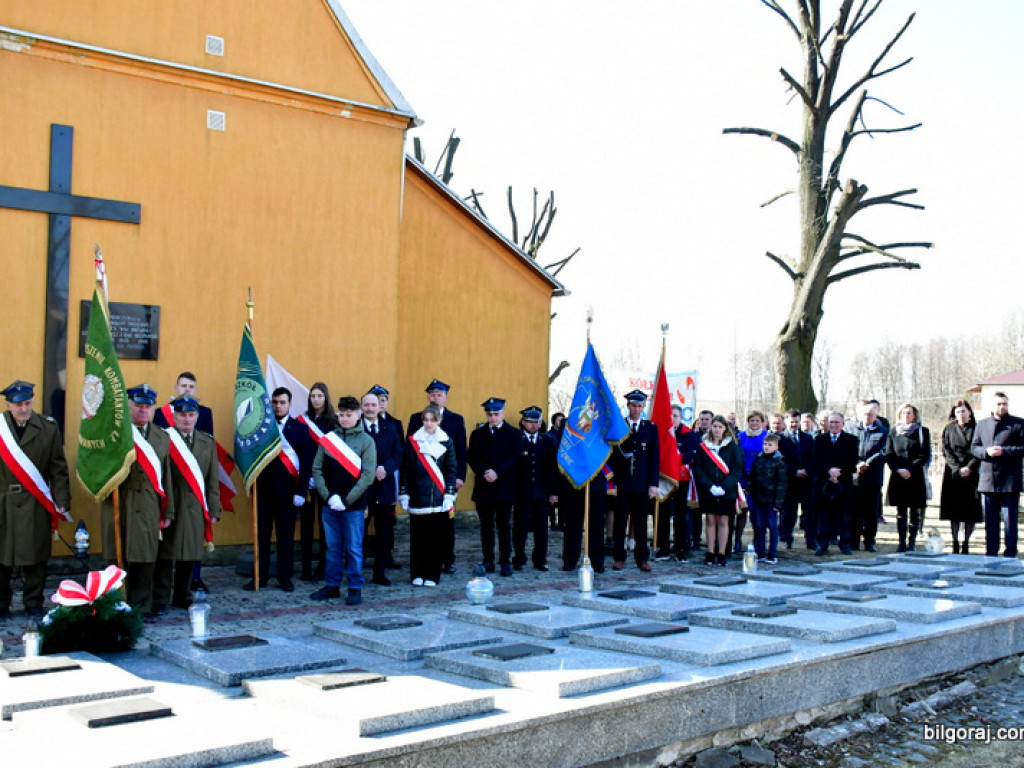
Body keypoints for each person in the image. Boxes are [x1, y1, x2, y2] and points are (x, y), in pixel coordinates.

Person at [102, 384, 174, 619]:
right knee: (117, 558)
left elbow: (166, 477)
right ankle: (115, 603)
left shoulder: (162, 437)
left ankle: (141, 605)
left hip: (149, 506)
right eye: (138, 406)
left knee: (144, 558)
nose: (143, 411)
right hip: (121, 501)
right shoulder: (115, 433)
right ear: (129, 406)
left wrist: (168, 512)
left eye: (147, 406)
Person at [0, 380, 70, 619]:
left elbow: (58, 468)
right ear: (8, 405)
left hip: (35, 501)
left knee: (36, 556)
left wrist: (61, 500)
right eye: (18, 404)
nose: (24, 409)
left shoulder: (48, 428)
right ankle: (1, 602)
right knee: (2, 556)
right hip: (3, 502)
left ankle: (33, 602)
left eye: (28, 403)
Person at [154, 394, 220, 614]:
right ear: (174, 416)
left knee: (189, 554)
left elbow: (212, 478)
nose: (186, 419)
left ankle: (182, 596)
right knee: (166, 555)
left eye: (191, 415)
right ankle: (161, 598)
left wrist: (214, 508)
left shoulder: (207, 442)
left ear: (197, 417)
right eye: (182, 415)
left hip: (195, 505)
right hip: (171, 503)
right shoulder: (164, 438)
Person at [310, 396, 377, 605]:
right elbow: (317, 469)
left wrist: (347, 500)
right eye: (342, 415)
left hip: (353, 505)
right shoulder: (329, 439)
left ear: (358, 415)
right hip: (330, 503)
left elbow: (368, 474)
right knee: (332, 547)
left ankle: (355, 586)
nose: (345, 419)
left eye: (350, 415)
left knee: (354, 547)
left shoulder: (367, 441)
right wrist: (328, 496)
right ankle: (332, 585)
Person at [245, 387, 311, 592]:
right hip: (264, 492)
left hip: (288, 494)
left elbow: (306, 462)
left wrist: (301, 491)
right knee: (262, 536)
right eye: (275, 402)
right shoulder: (262, 429)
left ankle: (285, 577)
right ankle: (261, 576)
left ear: (290, 404)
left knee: (285, 538)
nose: (278, 406)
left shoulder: (299, 429)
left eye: (282, 402)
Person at [407, 379, 466, 575]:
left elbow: (460, 449)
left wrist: (459, 477)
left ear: (446, 397)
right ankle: (423, 564)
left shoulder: (456, 419)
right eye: (432, 394)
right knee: (424, 528)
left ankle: (447, 559)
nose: (435, 397)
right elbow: (410, 451)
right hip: (422, 483)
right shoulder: (416, 418)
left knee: (446, 523)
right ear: (427, 397)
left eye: (439, 394)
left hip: (444, 482)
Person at [398, 405, 457, 586]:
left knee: (435, 540)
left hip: (438, 499)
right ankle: (417, 573)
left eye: (433, 420)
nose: (429, 423)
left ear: (439, 421)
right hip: (417, 498)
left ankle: (432, 575)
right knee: (418, 540)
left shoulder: (447, 441)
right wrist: (404, 493)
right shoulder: (413, 441)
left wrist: (449, 494)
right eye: (426, 420)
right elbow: (406, 468)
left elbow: (451, 470)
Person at [467, 397, 521, 576]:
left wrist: (497, 472)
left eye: (496, 414)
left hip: (504, 487)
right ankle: (488, 559)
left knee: (504, 526)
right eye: (490, 414)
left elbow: (515, 457)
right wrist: (484, 471)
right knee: (486, 526)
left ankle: (505, 560)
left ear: (503, 414)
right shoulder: (478, 434)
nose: (493, 417)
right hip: (484, 487)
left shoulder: (513, 434)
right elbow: (472, 457)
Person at [609, 390, 660, 572]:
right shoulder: (620, 426)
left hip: (642, 484)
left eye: (639, 406)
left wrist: (653, 483)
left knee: (640, 523)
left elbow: (654, 458)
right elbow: (612, 456)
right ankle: (619, 557)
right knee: (620, 522)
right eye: (633, 405)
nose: (636, 409)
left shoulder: (650, 428)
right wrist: (612, 481)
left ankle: (642, 558)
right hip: (622, 483)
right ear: (628, 406)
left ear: (643, 407)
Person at [970, 391, 1024, 558]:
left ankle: (1010, 553)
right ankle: (991, 552)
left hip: (1009, 480)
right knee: (991, 522)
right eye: (998, 404)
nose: (1002, 407)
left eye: (1004, 404)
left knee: (1010, 522)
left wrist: (1004, 451)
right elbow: (974, 448)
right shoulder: (982, 424)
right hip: (988, 480)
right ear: (992, 406)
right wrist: (986, 452)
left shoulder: (1018, 424)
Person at [361, 390, 402, 586]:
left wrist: (386, 467)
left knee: (383, 533)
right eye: (366, 405)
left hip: (384, 487)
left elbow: (398, 453)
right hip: (362, 489)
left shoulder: (391, 428)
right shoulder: (355, 427)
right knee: (358, 533)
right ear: (362, 407)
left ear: (379, 407)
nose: (370, 408)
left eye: (373, 405)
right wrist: (370, 469)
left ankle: (379, 572)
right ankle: (356, 573)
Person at [692, 414, 744, 566]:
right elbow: (698, 468)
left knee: (723, 520)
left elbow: (736, 470)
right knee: (710, 520)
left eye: (720, 427)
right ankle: (710, 552)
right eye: (714, 426)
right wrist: (710, 486)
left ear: (725, 429)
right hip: (709, 490)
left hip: (726, 491)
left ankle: (721, 552)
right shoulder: (703, 446)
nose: (716, 429)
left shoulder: (732, 447)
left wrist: (724, 486)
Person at [513, 406, 557, 571]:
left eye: (536, 422)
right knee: (519, 527)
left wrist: (553, 492)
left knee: (541, 529)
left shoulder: (546, 441)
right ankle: (518, 558)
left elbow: (552, 469)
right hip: (521, 491)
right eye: (529, 422)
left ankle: (540, 559)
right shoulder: (517, 440)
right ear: (523, 422)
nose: (533, 426)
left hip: (541, 492)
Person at [885, 403, 931, 552]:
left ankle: (912, 542)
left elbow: (924, 454)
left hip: (915, 476)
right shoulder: (893, 432)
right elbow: (889, 454)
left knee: (914, 511)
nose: (906, 416)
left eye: (909, 413)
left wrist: (910, 469)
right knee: (901, 511)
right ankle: (901, 541)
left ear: (915, 415)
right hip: (898, 477)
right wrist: (899, 469)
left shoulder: (922, 432)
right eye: (904, 413)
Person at [300, 382, 334, 581]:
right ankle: (305, 567)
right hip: (307, 479)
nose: (316, 399)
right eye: (313, 396)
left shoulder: (333, 421)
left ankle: (323, 566)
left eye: (320, 396)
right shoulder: (304, 421)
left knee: (324, 526)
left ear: (326, 398)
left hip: (325, 480)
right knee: (305, 525)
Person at [811, 412, 858, 556]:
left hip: (843, 482)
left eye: (837, 422)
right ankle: (822, 545)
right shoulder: (820, 439)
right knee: (823, 516)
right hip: (824, 483)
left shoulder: (851, 440)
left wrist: (839, 471)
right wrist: (829, 470)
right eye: (831, 422)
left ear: (843, 424)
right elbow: (816, 459)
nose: (833, 425)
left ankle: (845, 545)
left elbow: (853, 461)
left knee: (843, 516)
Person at [940, 399, 983, 554]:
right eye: (958, 412)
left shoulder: (977, 428)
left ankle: (966, 542)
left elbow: (978, 450)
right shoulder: (949, 429)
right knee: (955, 511)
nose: (961, 414)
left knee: (970, 511)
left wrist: (969, 467)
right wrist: (958, 469)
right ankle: (955, 542)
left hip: (971, 473)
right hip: (953, 473)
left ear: (969, 412)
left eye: (964, 411)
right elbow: (946, 450)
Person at [848, 400, 888, 552]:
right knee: (855, 511)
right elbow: (849, 450)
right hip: (855, 478)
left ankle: (870, 541)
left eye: (871, 414)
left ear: (876, 415)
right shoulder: (851, 429)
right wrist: (858, 463)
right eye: (865, 414)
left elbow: (884, 452)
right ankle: (854, 540)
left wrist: (868, 464)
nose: (867, 417)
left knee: (871, 513)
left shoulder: (883, 431)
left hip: (873, 478)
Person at [654, 404, 691, 562]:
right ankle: (663, 547)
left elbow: (689, 456)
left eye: (675, 416)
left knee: (680, 515)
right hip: (664, 479)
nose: (672, 419)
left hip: (681, 480)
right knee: (662, 514)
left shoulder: (688, 434)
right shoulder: (660, 433)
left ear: (681, 417)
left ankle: (680, 547)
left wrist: (671, 461)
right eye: (670, 416)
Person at [747, 432, 787, 564]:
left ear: (776, 447)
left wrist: (778, 503)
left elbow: (782, 484)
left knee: (772, 526)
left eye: (770, 445)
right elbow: (752, 477)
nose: (766, 447)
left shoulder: (779, 462)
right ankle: (760, 551)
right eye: (765, 444)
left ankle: (772, 553)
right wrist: (748, 490)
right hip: (759, 498)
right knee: (759, 525)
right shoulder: (758, 459)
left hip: (772, 500)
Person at [779, 408, 815, 550]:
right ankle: (787, 539)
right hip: (790, 481)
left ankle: (810, 540)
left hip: (807, 481)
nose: (794, 424)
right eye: (791, 422)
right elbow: (781, 460)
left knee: (809, 513)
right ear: (786, 422)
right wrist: (794, 471)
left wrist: (806, 470)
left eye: (796, 422)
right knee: (789, 512)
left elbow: (813, 458)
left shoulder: (808, 438)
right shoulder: (780, 439)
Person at [735, 410, 768, 554]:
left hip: (759, 479)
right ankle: (736, 541)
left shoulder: (767, 436)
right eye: (751, 421)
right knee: (741, 511)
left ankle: (757, 542)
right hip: (743, 477)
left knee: (757, 513)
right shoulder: (740, 436)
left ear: (762, 422)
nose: (754, 423)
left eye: (757, 421)